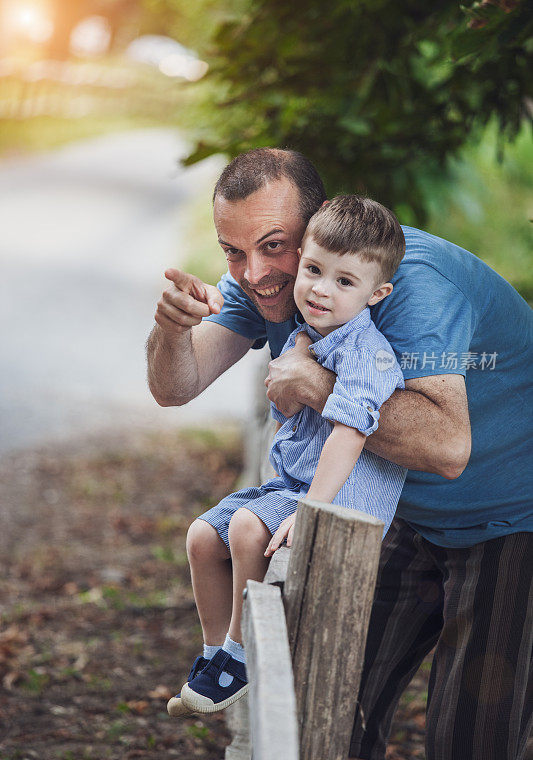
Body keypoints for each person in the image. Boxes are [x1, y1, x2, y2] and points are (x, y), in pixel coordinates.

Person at [147, 148, 533, 760]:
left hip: (512, 517)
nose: (253, 273)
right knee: (325, 703)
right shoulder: (279, 280)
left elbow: (448, 445)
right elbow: (176, 386)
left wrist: (312, 385)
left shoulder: (412, 288)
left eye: (274, 245)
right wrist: (171, 329)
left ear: (318, 226)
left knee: (470, 739)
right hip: (398, 508)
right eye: (233, 251)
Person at [166, 195, 407, 716]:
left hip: (335, 498)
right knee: (202, 536)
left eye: (345, 282)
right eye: (314, 270)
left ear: (376, 293)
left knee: (249, 529)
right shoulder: (307, 334)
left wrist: (313, 509)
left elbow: (350, 434)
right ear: (300, 260)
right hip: (290, 486)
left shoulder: (369, 355)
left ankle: (240, 653)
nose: (321, 288)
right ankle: (214, 655)